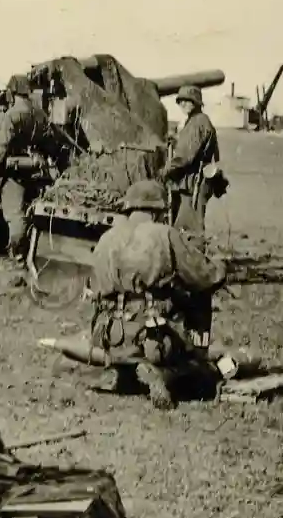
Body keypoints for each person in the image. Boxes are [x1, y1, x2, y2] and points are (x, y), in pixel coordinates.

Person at [85, 179, 226, 411]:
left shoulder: (106, 238)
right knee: (198, 300)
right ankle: (169, 371)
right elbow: (205, 277)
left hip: (109, 334)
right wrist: (221, 266)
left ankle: (123, 370)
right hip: (153, 336)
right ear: (159, 210)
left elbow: (95, 288)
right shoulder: (165, 234)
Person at [0, 74, 53, 259]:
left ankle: (18, 253)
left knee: (15, 213)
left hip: (15, 170)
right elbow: (49, 142)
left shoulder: (12, 115)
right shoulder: (40, 114)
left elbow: (2, 146)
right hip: (37, 169)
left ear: (12, 92)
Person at [162, 84, 221, 234]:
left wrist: (165, 171)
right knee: (186, 225)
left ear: (196, 102)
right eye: (180, 100)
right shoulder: (195, 121)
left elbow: (184, 156)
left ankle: (195, 255)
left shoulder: (198, 122)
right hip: (193, 181)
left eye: (187, 100)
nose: (183, 104)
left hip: (195, 182)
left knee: (190, 227)